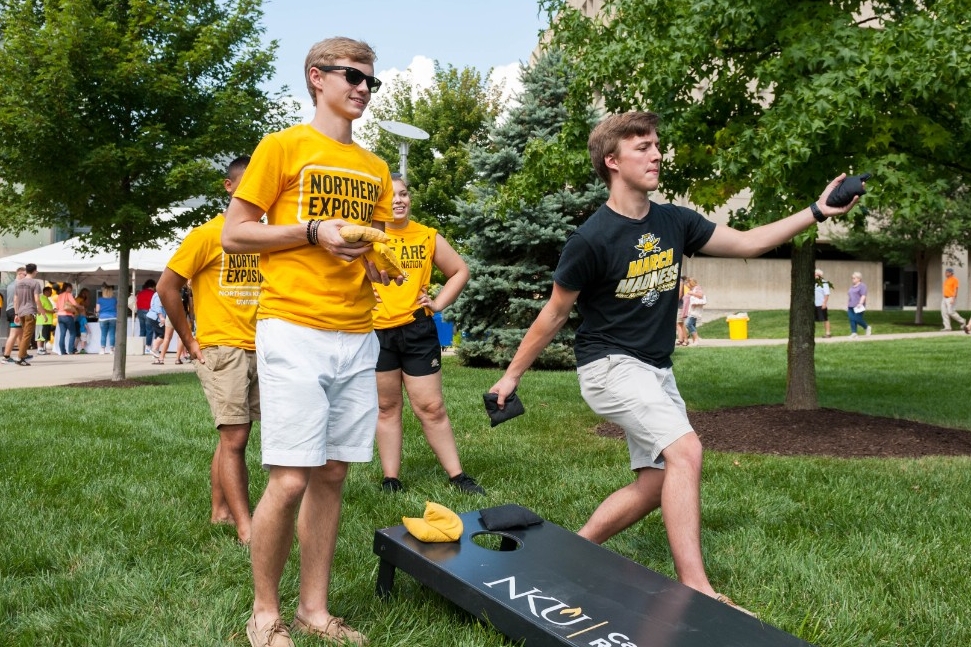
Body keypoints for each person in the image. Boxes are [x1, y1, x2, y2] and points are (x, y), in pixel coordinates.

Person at [488, 111, 863, 613]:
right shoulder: (591, 239)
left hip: (656, 370)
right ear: (612, 161)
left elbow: (749, 242)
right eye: (642, 146)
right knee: (686, 451)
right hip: (609, 367)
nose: (657, 154)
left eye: (656, 144)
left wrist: (816, 211)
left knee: (656, 482)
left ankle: (571, 549)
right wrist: (511, 376)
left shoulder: (675, 221)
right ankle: (696, 588)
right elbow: (554, 314)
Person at [221, 37, 397, 647]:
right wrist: (313, 229)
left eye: (372, 80)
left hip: (356, 333)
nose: (364, 88)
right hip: (292, 328)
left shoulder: (375, 169)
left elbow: (362, 248)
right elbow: (236, 234)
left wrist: (379, 263)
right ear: (317, 78)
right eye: (353, 76)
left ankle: (312, 611)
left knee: (332, 476)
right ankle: (264, 613)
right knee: (290, 478)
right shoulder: (282, 146)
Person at [157, 155, 260, 546]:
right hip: (222, 348)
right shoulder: (207, 235)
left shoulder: (264, 236)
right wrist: (190, 339)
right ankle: (245, 527)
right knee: (235, 438)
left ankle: (220, 510)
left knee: (235, 436)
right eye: (246, 183)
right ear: (229, 187)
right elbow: (169, 286)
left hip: (259, 347)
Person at [372, 173, 482, 495]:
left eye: (403, 194)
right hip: (377, 332)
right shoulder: (370, 236)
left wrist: (436, 304)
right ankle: (391, 479)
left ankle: (457, 476)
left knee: (431, 406)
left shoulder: (426, 236)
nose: (398, 200)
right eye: (391, 196)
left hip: (417, 329)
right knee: (387, 407)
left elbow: (460, 271)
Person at [12, 263, 44, 366]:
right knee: (27, 335)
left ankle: (23, 355)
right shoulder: (35, 283)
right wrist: (43, 313)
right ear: (34, 271)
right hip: (30, 312)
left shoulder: (18, 283)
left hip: (21, 312)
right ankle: (21, 357)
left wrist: (16, 313)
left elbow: (15, 299)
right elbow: (37, 299)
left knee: (25, 334)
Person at [2, 267, 26, 363]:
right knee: (14, 334)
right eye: (24, 275)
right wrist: (17, 313)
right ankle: (6, 357)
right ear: (19, 274)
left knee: (19, 334)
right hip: (15, 311)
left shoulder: (11, 284)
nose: (25, 277)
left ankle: (22, 354)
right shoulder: (18, 285)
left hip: (12, 310)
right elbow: (17, 300)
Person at [55, 282, 79, 356]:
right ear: (67, 288)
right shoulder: (68, 294)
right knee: (73, 333)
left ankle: (62, 351)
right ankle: (70, 350)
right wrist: (80, 307)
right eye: (71, 288)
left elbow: (57, 307)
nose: (71, 289)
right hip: (68, 316)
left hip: (60, 316)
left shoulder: (59, 296)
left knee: (62, 334)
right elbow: (74, 303)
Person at [847, 271, 872, 338]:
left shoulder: (862, 286)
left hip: (859, 305)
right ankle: (854, 333)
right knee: (851, 319)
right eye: (852, 278)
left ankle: (867, 327)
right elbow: (851, 296)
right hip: (850, 306)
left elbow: (863, 295)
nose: (852, 279)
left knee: (857, 319)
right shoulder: (852, 287)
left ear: (859, 279)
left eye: (854, 278)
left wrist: (860, 303)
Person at [135, 279, 157, 353]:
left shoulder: (140, 293)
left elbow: (137, 302)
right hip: (149, 312)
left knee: (142, 329)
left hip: (140, 311)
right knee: (149, 330)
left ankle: (141, 347)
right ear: (153, 286)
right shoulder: (154, 293)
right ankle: (147, 347)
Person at [941, 267, 966, 332]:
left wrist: (953, 298)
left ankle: (962, 321)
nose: (945, 273)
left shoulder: (955, 280)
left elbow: (955, 289)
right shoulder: (946, 280)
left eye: (947, 272)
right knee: (944, 312)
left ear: (951, 273)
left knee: (950, 312)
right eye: (945, 272)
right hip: (944, 298)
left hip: (951, 298)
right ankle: (947, 327)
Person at [96, 284, 119, 354]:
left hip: (103, 317)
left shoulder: (99, 300)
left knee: (103, 334)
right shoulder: (114, 299)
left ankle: (103, 349)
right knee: (112, 333)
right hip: (113, 317)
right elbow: (117, 308)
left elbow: (97, 310)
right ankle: (112, 349)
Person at [684, 278, 705, 345]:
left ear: (691, 283)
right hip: (692, 310)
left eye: (687, 283)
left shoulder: (697, 288)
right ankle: (695, 340)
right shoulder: (692, 289)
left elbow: (701, 295)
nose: (686, 285)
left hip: (695, 311)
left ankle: (696, 339)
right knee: (692, 324)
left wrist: (692, 293)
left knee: (688, 324)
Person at [147, 291, 167, 363]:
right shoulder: (159, 295)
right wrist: (161, 317)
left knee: (158, 334)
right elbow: (158, 306)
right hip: (155, 318)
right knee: (163, 334)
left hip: (153, 317)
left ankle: (155, 351)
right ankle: (154, 350)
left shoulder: (157, 294)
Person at [37, 285, 56, 354]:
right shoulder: (42, 298)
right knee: (41, 335)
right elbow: (40, 309)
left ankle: (42, 349)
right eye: (50, 291)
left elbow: (47, 308)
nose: (51, 293)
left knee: (44, 336)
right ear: (46, 291)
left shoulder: (47, 299)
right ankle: (39, 349)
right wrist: (51, 311)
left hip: (47, 321)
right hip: (42, 320)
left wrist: (53, 310)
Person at [814, 268, 832, 338]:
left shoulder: (824, 283)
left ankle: (828, 333)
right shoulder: (813, 283)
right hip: (813, 304)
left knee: (825, 319)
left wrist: (824, 303)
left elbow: (827, 294)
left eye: (815, 274)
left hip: (821, 304)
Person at [74, 287, 91, 353]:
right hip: (77, 315)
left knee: (79, 336)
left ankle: (76, 347)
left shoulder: (82, 300)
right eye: (86, 294)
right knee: (80, 336)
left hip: (79, 315)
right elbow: (77, 306)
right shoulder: (79, 299)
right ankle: (81, 348)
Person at [675, 277, 688, 346]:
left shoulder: (680, 281)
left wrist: (675, 303)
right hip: (680, 305)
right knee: (679, 323)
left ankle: (685, 339)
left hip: (679, 305)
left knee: (680, 323)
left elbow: (680, 293)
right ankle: (681, 339)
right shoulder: (679, 280)